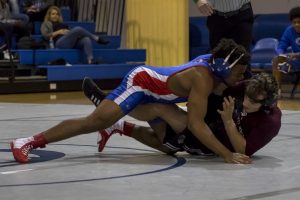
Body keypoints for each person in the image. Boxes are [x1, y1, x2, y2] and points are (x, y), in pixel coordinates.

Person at [10, 38, 252, 164]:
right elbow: (196, 124)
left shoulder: (213, 64)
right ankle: (27, 141)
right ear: (222, 65)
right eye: (239, 71)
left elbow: (227, 82)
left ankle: (112, 119)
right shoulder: (203, 78)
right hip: (142, 83)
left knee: (165, 144)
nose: (241, 76)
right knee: (92, 122)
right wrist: (225, 154)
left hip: (158, 95)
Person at [83, 72, 281, 157]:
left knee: (160, 111)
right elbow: (221, 89)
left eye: (253, 102)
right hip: (210, 124)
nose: (245, 103)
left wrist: (228, 121)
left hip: (210, 145)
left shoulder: (271, 122)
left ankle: (108, 106)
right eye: (246, 97)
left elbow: (244, 151)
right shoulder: (251, 88)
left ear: (268, 104)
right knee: (166, 141)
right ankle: (116, 125)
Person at [193, 0, 253, 78]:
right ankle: (220, 89)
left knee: (242, 58)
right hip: (216, 17)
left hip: (241, 14)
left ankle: (245, 88)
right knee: (218, 61)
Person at [40, 6, 109, 64]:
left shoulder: (63, 24)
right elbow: (45, 35)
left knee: (86, 39)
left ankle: (90, 60)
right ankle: (97, 38)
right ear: (49, 15)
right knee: (78, 29)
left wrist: (74, 34)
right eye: (53, 14)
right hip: (59, 43)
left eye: (57, 14)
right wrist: (59, 32)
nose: (55, 16)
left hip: (69, 41)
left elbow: (70, 35)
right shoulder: (46, 24)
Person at [272, 7, 300, 94]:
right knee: (276, 59)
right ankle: (277, 89)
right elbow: (281, 46)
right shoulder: (289, 31)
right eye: (294, 22)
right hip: (296, 62)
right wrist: (280, 54)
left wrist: (297, 55)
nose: (296, 25)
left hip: (297, 57)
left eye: (299, 22)